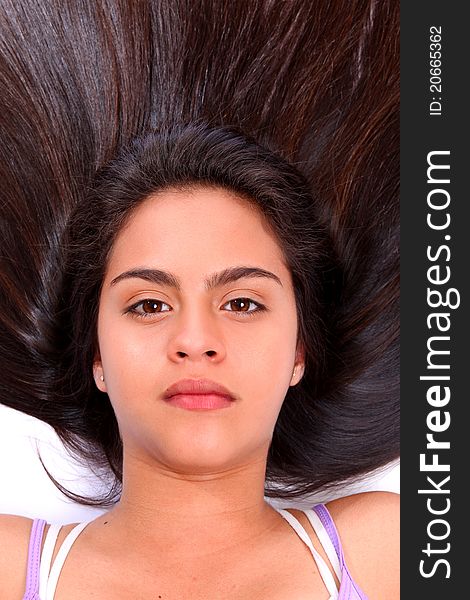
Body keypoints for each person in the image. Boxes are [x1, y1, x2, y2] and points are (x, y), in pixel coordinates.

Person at [0, 2, 399, 598]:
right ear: (97, 357)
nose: (195, 341)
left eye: (242, 303)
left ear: (299, 352)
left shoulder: (389, 549)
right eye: (149, 305)